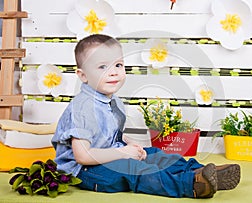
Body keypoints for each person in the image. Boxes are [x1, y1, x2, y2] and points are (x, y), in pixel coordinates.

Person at [52, 34, 241, 199]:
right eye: (102, 67)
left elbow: (108, 134)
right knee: (135, 170)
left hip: (110, 154)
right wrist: (123, 153)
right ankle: (192, 185)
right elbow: (83, 155)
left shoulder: (113, 101)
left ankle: (200, 171)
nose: (113, 71)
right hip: (86, 171)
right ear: (83, 75)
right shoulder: (82, 107)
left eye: (118, 64)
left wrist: (128, 144)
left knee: (154, 155)